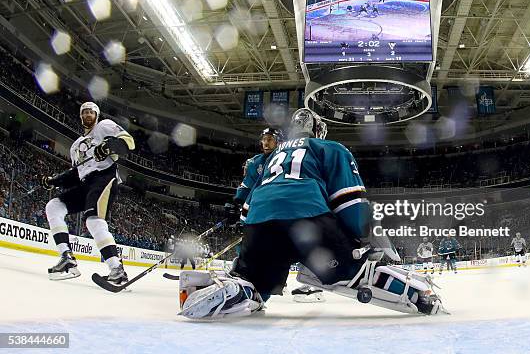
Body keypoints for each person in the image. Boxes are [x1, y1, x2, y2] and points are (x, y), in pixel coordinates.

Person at [177, 108, 446, 319]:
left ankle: (231, 290)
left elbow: (250, 206)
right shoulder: (329, 148)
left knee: (256, 283)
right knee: (355, 270)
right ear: (318, 130)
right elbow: (350, 202)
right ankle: (420, 296)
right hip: (308, 222)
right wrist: (357, 242)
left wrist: (249, 241)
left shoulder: (267, 160)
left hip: (260, 226)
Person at [42, 102, 135, 283]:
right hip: (85, 183)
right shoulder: (75, 146)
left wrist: (109, 146)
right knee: (53, 207)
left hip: (104, 177)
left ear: (97, 115)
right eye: (84, 112)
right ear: (80, 116)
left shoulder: (104, 126)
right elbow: (76, 174)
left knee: (93, 220)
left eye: (91, 112)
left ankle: (116, 268)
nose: (87, 114)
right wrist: (55, 181)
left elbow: (128, 142)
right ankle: (67, 258)